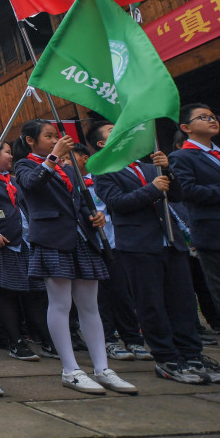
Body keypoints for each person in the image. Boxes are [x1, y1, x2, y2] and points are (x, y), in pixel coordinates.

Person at [13, 119, 136, 395]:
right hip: (52, 239)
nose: (54, 140)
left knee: (89, 306)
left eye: (55, 136)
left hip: (81, 239)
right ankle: (70, 369)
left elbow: (78, 201)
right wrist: (54, 156)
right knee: (60, 304)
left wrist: (95, 217)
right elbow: (31, 185)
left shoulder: (69, 169)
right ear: (30, 141)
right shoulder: (26, 165)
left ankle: (102, 368)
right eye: (48, 136)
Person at [91, 120, 218, 384]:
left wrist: (168, 171)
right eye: (112, 132)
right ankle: (167, 359)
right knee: (152, 305)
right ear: (102, 144)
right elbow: (117, 203)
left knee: (182, 302)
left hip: (170, 242)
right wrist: (152, 189)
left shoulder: (150, 167)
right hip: (138, 246)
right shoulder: (104, 170)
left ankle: (191, 355)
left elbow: (180, 195)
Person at [67, 141, 150, 362]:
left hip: (116, 242)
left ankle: (132, 338)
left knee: (122, 293)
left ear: (85, 158)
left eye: (69, 158)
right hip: (90, 246)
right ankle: (109, 340)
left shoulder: (104, 178)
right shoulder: (69, 185)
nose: (66, 163)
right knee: (99, 298)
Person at [0, 137, 47, 362]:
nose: (11, 156)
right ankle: (15, 341)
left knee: (33, 293)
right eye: (7, 152)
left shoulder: (14, 181)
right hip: (1, 243)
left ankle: (47, 340)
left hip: (24, 242)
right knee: (6, 293)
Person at [169, 104, 220, 313]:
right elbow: (187, 191)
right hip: (212, 231)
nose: (212, 120)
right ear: (186, 127)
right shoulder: (181, 157)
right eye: (203, 117)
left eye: (213, 116)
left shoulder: (217, 152)